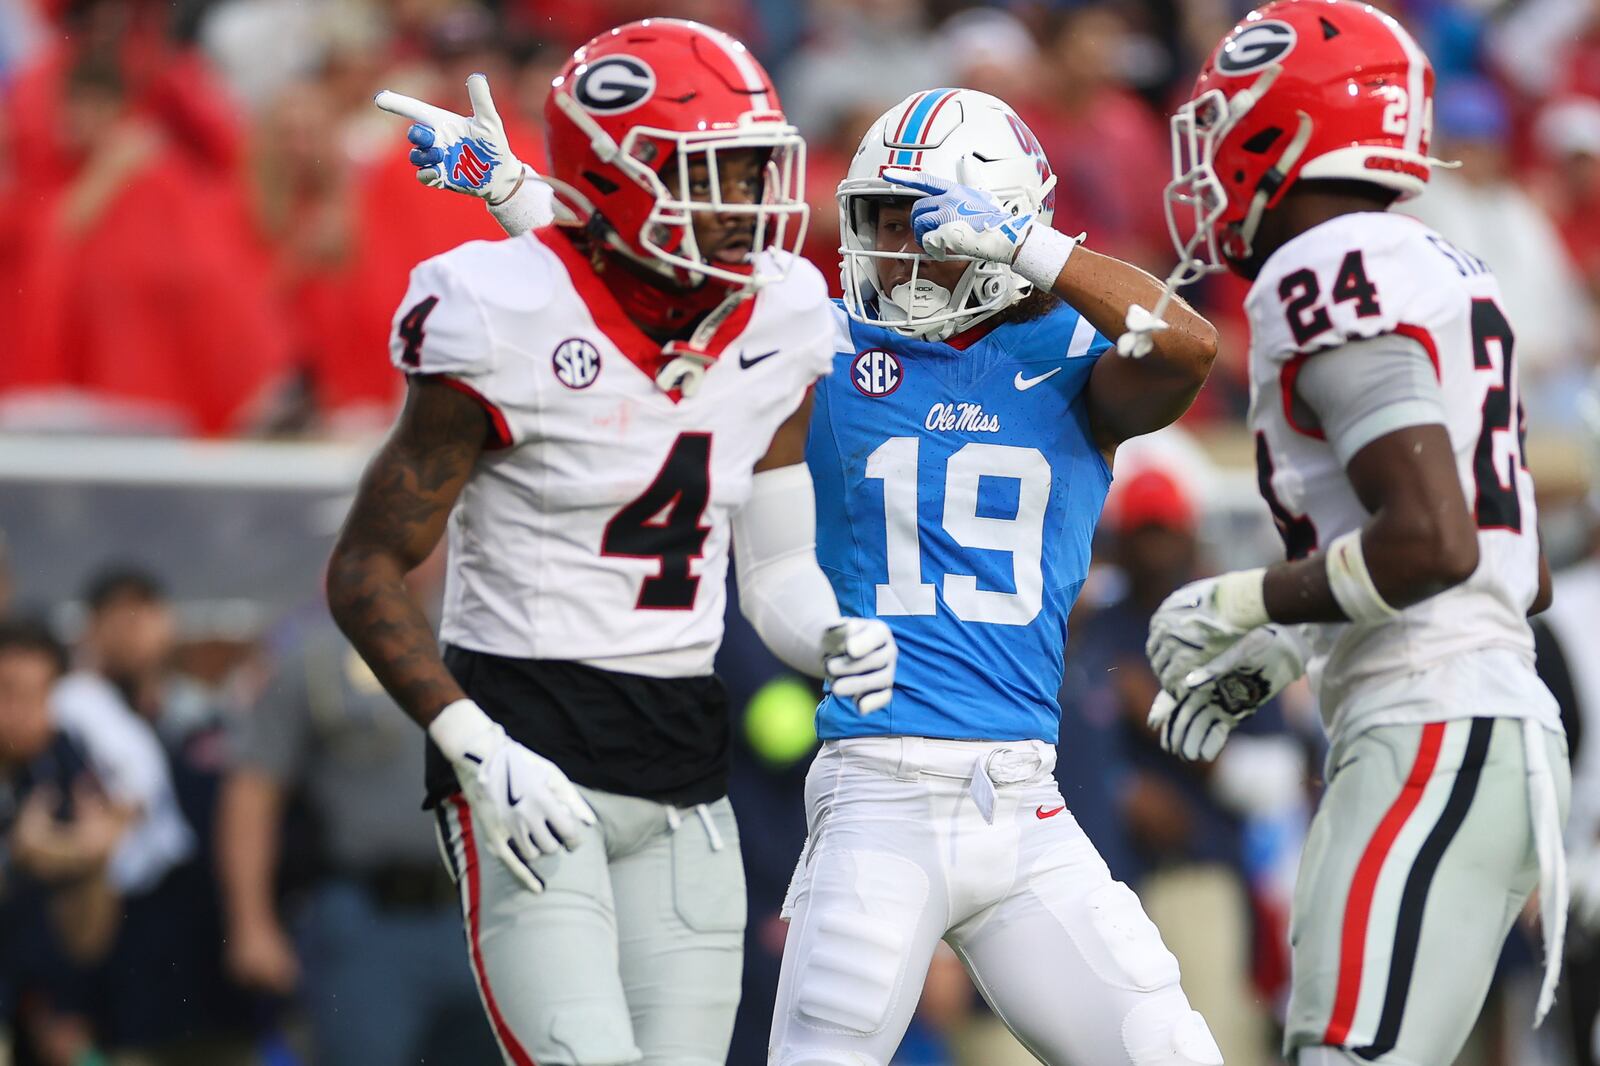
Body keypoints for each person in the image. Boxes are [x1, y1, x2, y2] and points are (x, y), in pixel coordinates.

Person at [401, 66, 1226, 1064]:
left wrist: (1029, 250)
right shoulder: (815, 337)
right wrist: (513, 193)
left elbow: (1185, 345)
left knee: (1172, 1052)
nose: (897, 249)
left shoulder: (1070, 359)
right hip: (878, 795)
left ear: (1005, 225)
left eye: (929, 224)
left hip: (1025, 802)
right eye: (884, 218)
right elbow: (646, 294)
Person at [328, 20, 896, 1066]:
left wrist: (825, 632)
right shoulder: (495, 311)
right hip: (525, 741)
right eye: (709, 173)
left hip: (687, 767)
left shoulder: (784, 313)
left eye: (751, 167)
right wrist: (470, 743)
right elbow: (364, 566)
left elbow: (771, 560)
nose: (744, 204)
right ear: (619, 179)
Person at [1139, 4, 1571, 1064]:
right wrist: (1297, 638)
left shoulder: (1323, 263)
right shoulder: (1434, 262)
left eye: (1223, 127)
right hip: (1472, 720)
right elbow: (1521, 572)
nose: (1207, 162)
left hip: (1433, 725)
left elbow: (1435, 544)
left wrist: (1251, 601)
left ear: (1281, 129)